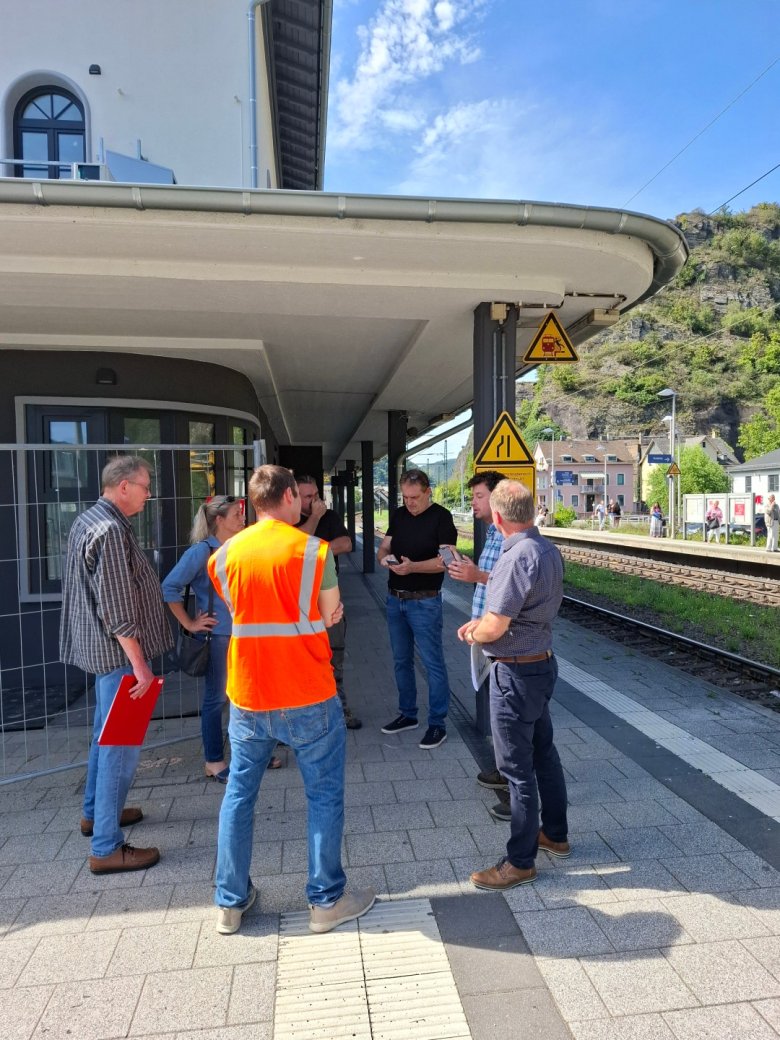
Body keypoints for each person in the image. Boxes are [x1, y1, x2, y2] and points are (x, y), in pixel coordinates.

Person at [209, 465, 375, 935]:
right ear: (286, 497)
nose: (305, 503)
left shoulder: (224, 556)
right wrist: (325, 614)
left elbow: (241, 609)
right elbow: (329, 615)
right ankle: (326, 902)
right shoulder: (314, 551)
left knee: (239, 796)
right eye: (299, 498)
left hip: (249, 694)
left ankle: (230, 902)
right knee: (323, 794)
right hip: (307, 692)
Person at [60, 456, 172, 875]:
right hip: (121, 658)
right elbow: (118, 608)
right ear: (123, 486)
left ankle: (95, 814)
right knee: (119, 747)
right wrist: (140, 665)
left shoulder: (88, 520)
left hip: (103, 654)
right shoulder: (109, 531)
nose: (149, 493)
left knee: (104, 737)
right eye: (145, 486)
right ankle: (107, 846)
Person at [457, 479, 570, 890]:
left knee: (516, 771)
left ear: (499, 517)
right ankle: (555, 835)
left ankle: (519, 862)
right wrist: (486, 626)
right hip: (540, 666)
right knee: (544, 754)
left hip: (515, 674)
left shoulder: (514, 556)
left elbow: (496, 623)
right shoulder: (547, 550)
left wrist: (473, 632)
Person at [162, 496, 282, 781]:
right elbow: (169, 587)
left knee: (252, 696)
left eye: (242, 513)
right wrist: (190, 623)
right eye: (236, 515)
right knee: (217, 700)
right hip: (219, 638)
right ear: (219, 520)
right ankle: (214, 761)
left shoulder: (244, 544)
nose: (243, 518)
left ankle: (253, 755)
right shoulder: (202, 552)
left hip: (249, 633)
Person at [378, 469, 457, 750]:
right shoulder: (398, 516)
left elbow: (446, 561)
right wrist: (387, 561)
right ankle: (408, 714)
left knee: (433, 663)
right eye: (405, 497)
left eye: (414, 497)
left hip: (425, 601)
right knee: (401, 661)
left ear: (428, 492)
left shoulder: (442, 517)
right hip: (395, 599)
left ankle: (437, 724)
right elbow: (383, 547)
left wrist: (412, 567)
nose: (409, 503)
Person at [446, 471, 509, 815]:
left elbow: (509, 581)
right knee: (499, 713)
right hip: (488, 633)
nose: (473, 502)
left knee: (510, 719)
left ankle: (517, 791)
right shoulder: (493, 533)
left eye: (478, 496)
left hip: (504, 641)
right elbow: (494, 578)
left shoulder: (509, 536)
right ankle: (504, 771)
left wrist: (477, 575)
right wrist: (474, 571)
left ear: (497, 498)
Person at [295, 475, 361, 729]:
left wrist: (314, 551)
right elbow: (294, 547)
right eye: (307, 496)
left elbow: (346, 543)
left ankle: (339, 709)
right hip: (298, 600)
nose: (314, 501)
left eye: (315, 495)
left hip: (327, 595)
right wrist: (313, 521)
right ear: (293, 496)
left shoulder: (329, 516)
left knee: (335, 654)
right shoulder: (290, 520)